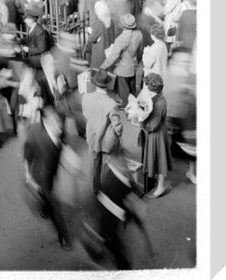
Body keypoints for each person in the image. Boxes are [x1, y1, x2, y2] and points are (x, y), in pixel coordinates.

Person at [80, 146, 153, 270]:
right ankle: (123, 268)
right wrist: (132, 213)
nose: (127, 166)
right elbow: (114, 208)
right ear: (117, 164)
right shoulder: (111, 182)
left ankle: (101, 253)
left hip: (108, 218)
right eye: (124, 163)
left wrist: (135, 208)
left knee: (108, 242)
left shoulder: (121, 176)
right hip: (106, 222)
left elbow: (129, 195)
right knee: (114, 245)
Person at [23, 106, 71, 248]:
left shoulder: (59, 130)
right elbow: (27, 153)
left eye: (59, 121)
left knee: (45, 200)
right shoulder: (35, 133)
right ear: (45, 122)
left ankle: (43, 206)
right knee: (54, 208)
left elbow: (62, 143)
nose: (60, 126)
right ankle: (63, 235)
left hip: (52, 171)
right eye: (55, 122)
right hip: (41, 177)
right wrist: (27, 174)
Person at [81, 70, 122, 194]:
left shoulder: (85, 97)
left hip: (92, 136)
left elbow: (85, 114)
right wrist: (119, 135)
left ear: (95, 84)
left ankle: (95, 189)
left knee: (95, 163)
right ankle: (106, 190)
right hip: (106, 140)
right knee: (107, 164)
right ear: (108, 85)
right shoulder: (111, 104)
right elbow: (117, 126)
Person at [139, 73, 172, 198]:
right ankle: (159, 182)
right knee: (158, 158)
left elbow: (152, 126)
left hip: (156, 134)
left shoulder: (158, 104)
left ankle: (161, 186)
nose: (145, 89)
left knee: (160, 160)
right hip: (159, 131)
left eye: (147, 87)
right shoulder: (159, 98)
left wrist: (140, 121)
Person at [100, 13, 143, 107]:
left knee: (124, 92)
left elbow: (113, 56)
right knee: (132, 90)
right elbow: (140, 51)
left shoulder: (120, 39)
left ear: (123, 25)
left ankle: (127, 109)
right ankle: (134, 107)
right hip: (134, 66)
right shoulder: (139, 34)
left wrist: (103, 66)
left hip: (123, 70)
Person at [84, 0, 115, 69]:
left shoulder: (99, 23)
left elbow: (91, 39)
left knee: (98, 73)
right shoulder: (110, 20)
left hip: (100, 53)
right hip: (109, 50)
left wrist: (89, 31)